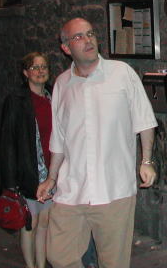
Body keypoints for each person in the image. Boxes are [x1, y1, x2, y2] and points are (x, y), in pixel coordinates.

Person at [37, 17, 158, 268]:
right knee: (58, 256)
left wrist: (146, 161)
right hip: (72, 188)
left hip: (113, 189)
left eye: (90, 33)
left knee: (113, 263)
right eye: (79, 36)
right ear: (66, 48)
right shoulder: (62, 84)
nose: (88, 40)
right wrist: (51, 178)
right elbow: (59, 139)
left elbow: (145, 120)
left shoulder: (121, 73)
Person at [0, 52, 97, 268]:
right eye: (34, 67)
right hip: (29, 170)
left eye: (43, 67)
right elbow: (8, 142)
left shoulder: (54, 95)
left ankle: (41, 265)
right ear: (25, 73)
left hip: (53, 169)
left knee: (45, 222)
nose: (40, 71)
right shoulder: (16, 100)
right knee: (30, 223)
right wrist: (10, 181)